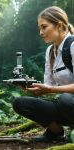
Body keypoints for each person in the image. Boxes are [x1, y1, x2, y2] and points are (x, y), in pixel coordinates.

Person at [13, 6, 74, 142]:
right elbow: (49, 86)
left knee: (64, 99)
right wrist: (34, 88)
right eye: (39, 28)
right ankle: (56, 132)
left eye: (44, 27)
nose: (41, 32)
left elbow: (53, 89)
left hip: (68, 102)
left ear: (59, 25)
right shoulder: (50, 51)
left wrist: (52, 89)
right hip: (64, 105)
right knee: (20, 103)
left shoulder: (73, 45)